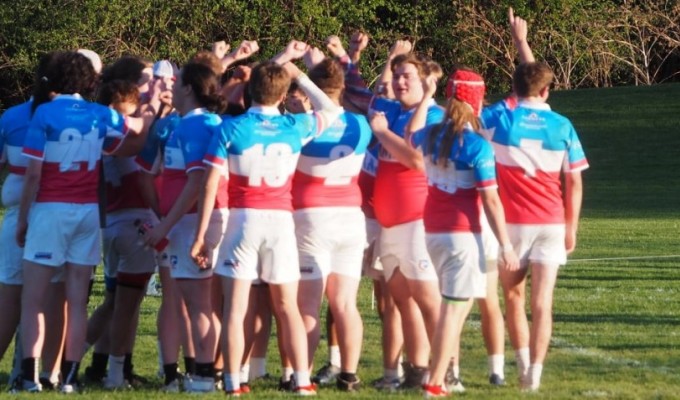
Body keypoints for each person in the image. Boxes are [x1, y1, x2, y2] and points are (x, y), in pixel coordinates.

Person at [190, 40, 341, 396]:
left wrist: (200, 236)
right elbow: (331, 109)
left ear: (247, 89)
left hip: (242, 221)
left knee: (236, 308)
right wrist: (299, 75)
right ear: (282, 91)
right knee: (287, 306)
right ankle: (302, 380)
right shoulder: (294, 128)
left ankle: (231, 381)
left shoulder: (229, 129)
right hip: (279, 223)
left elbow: (210, 185)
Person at [14, 50, 156, 394]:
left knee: (34, 300)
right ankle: (68, 378)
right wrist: (152, 114)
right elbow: (135, 129)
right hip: (88, 213)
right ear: (90, 82)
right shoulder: (99, 113)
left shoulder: (46, 112)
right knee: (78, 301)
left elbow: (33, 174)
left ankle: (31, 378)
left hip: (51, 209)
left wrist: (22, 219)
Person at [402, 68, 519, 397]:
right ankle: (435, 382)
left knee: (456, 307)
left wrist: (426, 97)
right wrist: (506, 245)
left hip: (433, 232)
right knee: (452, 313)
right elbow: (492, 201)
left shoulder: (433, 135)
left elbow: (411, 132)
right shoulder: (477, 146)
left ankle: (436, 378)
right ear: (477, 102)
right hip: (462, 236)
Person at [480, 61, 588, 391]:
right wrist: (572, 226)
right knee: (543, 303)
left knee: (513, 296)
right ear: (546, 91)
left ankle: (523, 362)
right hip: (551, 222)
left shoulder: (499, 119)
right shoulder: (562, 125)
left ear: (513, 89)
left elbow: (469, 119)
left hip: (512, 224)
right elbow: (575, 184)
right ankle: (534, 376)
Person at [140, 61, 229, 393]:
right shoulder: (208, 122)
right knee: (202, 303)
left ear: (190, 89)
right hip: (197, 220)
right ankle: (208, 373)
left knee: (198, 304)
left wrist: (165, 227)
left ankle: (204, 376)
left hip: (192, 222)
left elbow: (196, 183)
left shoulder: (193, 126)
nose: (172, 88)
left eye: (177, 83)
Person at [290, 54, 372, 391]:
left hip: (313, 218)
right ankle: (349, 375)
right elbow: (335, 111)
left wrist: (299, 77)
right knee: (345, 303)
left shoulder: (306, 125)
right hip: (351, 219)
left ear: (312, 92)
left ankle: (303, 377)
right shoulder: (361, 125)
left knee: (308, 304)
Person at [367, 47, 445, 388]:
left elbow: (416, 160)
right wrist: (387, 60)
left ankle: (448, 370)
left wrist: (383, 134)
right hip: (389, 222)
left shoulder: (433, 114)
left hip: (417, 219)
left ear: (424, 81)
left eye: (407, 76)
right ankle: (417, 369)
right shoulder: (390, 110)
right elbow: (363, 94)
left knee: (428, 299)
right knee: (401, 298)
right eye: (397, 76)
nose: (399, 81)